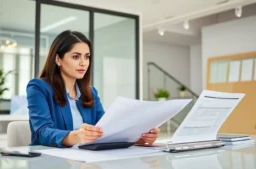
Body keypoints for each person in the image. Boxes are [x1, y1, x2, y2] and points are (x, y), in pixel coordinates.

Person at [26, 30, 160, 148]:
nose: (83, 63)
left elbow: (107, 129)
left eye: (87, 57)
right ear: (58, 59)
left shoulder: (90, 92)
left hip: (84, 159)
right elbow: (42, 133)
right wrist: (77, 136)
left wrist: (138, 138)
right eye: (75, 57)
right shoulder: (38, 87)